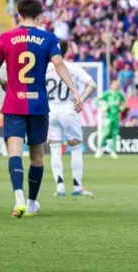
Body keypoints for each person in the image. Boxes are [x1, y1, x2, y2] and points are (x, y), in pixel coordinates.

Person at [0, 0, 82, 218]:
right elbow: (59, 64)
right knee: (37, 156)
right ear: (40, 16)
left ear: (19, 14)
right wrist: (74, 91)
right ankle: (31, 203)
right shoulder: (49, 38)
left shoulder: (4, 38)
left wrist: (3, 82)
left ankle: (18, 198)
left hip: (14, 104)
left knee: (14, 152)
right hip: (39, 105)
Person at [46, 41, 97, 197]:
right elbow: (92, 85)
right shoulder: (73, 68)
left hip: (50, 112)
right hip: (69, 111)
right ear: (67, 52)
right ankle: (77, 187)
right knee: (75, 148)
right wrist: (80, 100)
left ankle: (60, 187)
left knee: (55, 149)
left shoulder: (44, 68)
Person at [95, 79, 126, 158]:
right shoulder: (107, 93)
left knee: (114, 134)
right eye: (114, 84)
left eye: (117, 84)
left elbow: (124, 102)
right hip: (108, 117)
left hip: (116, 117)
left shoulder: (119, 94)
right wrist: (102, 107)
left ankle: (113, 151)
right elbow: (97, 100)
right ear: (111, 85)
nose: (116, 85)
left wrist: (122, 108)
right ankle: (99, 150)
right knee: (106, 133)